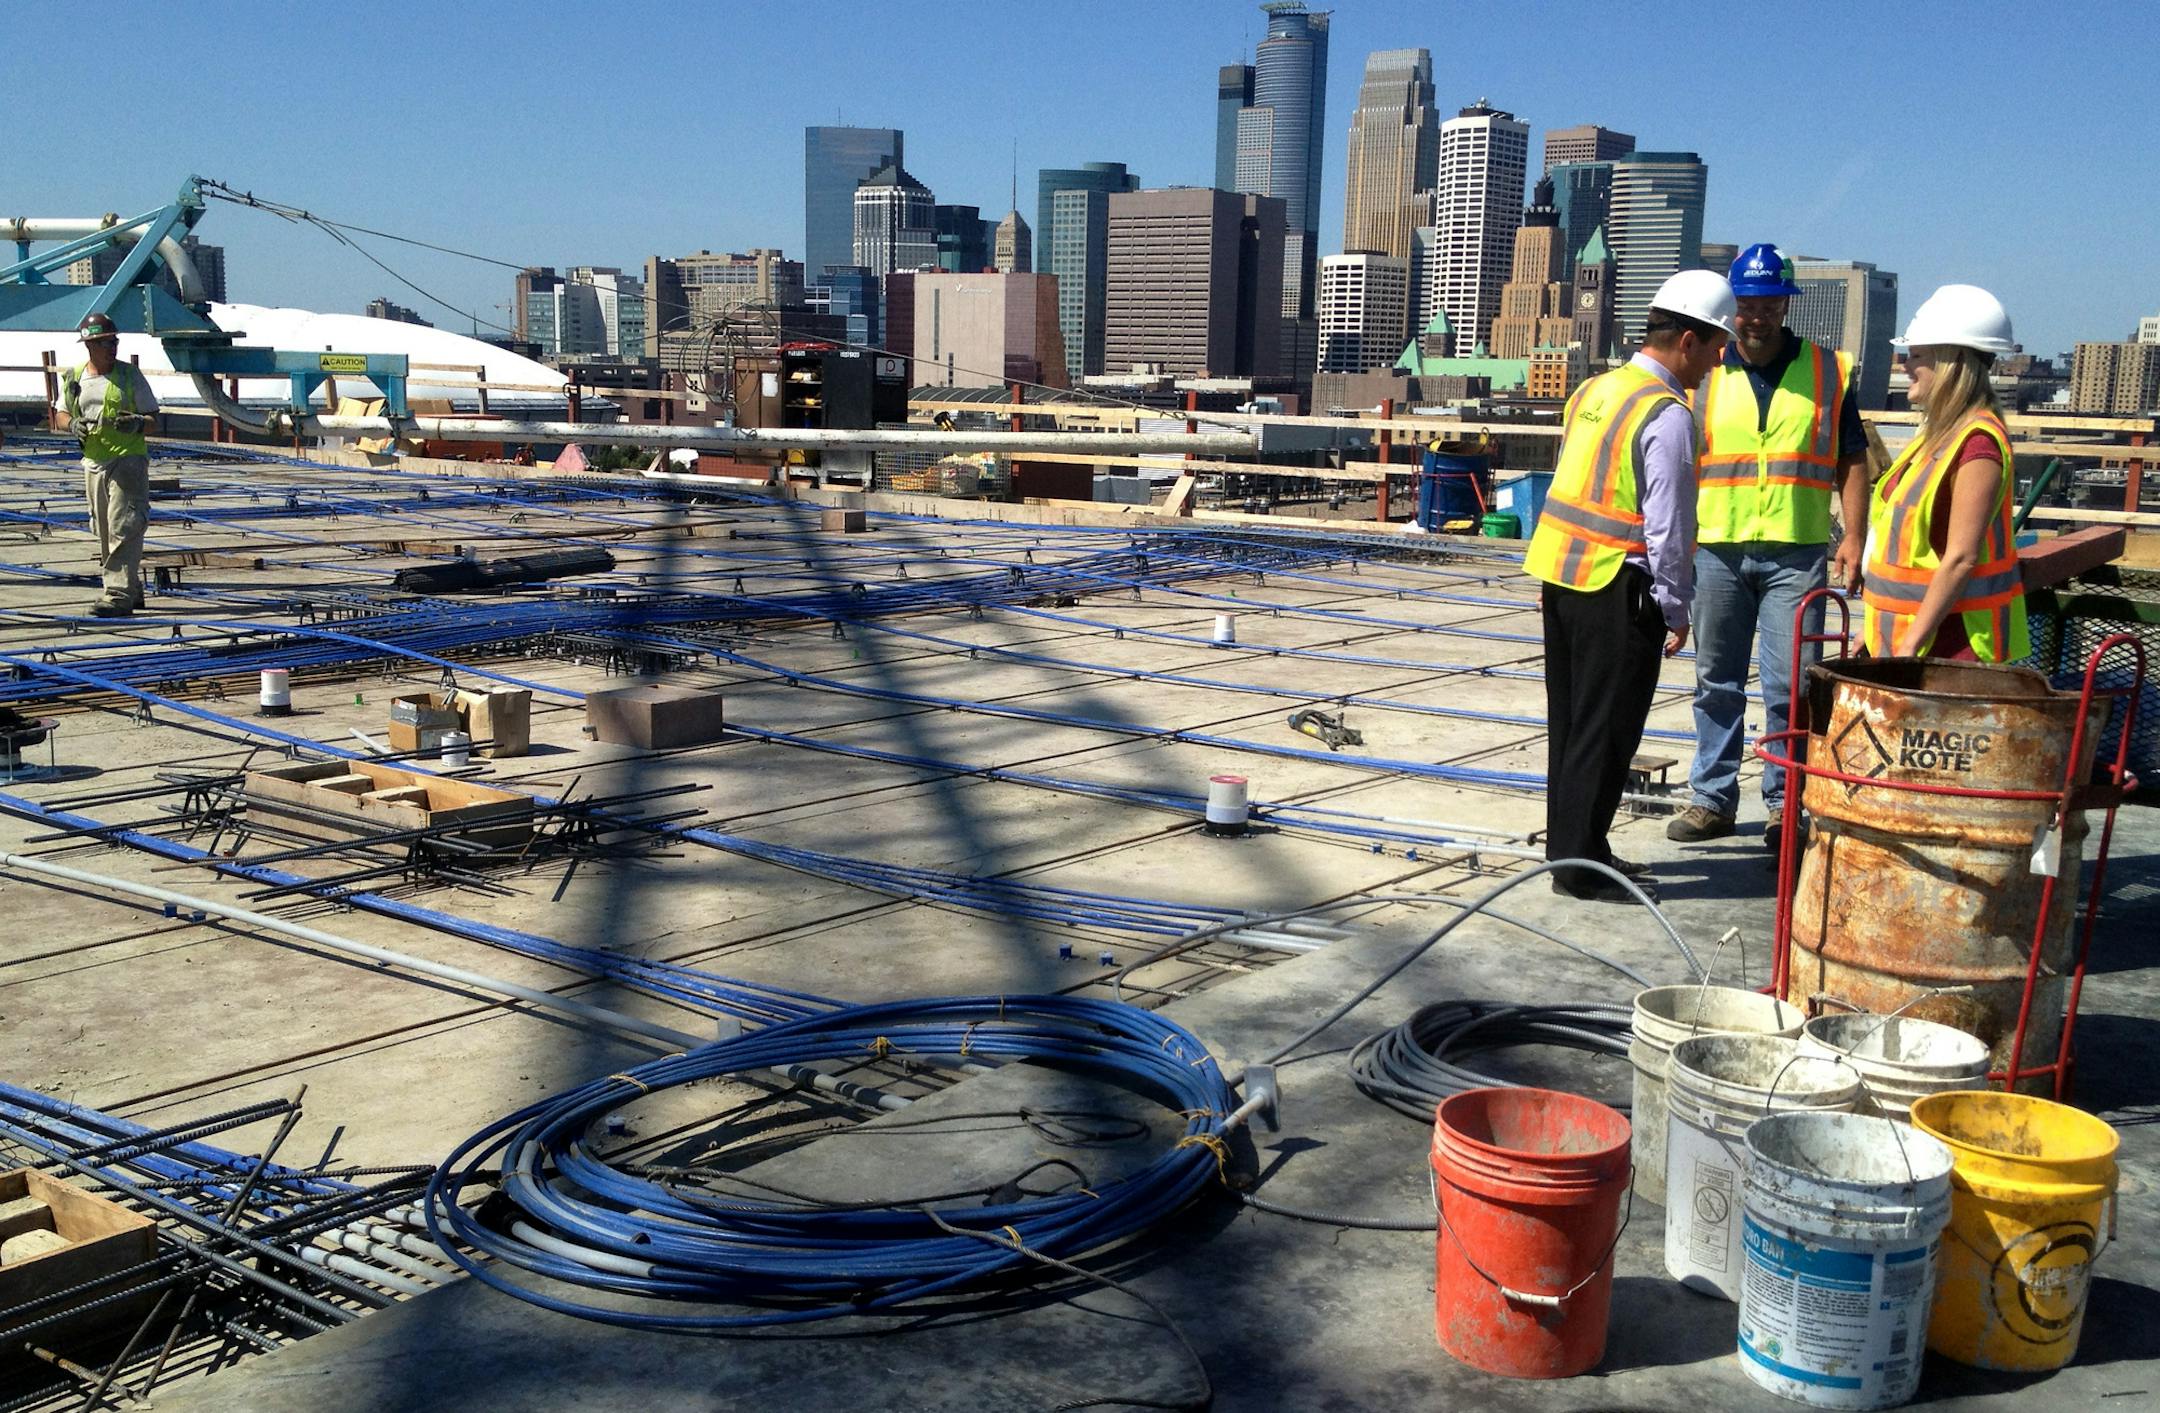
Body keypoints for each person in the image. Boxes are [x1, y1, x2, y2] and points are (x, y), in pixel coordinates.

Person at [1525, 269, 1735, 901]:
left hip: (1564, 577)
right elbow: (1668, 525)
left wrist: (1553, 578)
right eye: (1716, 344)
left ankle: (1577, 853)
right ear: (1688, 341)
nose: (1719, 359)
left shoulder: (1595, 388)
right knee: (1607, 730)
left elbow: (1568, 481)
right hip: (1619, 585)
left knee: (1572, 726)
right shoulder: (1667, 414)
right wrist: (1676, 606)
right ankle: (1581, 868)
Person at [1666, 244, 1871, 855]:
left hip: (1795, 550)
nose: (1755, 317)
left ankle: (1786, 804)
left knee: (1790, 687)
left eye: (1767, 305)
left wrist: (1854, 536)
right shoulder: (1705, 368)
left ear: (1786, 304)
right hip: (1719, 550)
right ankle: (1712, 798)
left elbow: (1852, 460)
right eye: (1745, 306)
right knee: (1716, 681)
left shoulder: (1828, 371)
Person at [1862, 285, 2027, 662]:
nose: (1904, 365)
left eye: (1915, 355)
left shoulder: (1978, 444)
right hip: (1906, 644)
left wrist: (1909, 646)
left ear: (1950, 361)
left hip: (1952, 650)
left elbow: (1960, 558)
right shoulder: (1937, 436)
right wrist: (1871, 635)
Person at [50, 314, 158, 618]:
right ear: (90, 345)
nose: (113, 347)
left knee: (124, 526)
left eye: (115, 341)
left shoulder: (129, 376)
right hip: (94, 463)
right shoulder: (74, 378)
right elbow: (59, 415)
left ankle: (118, 595)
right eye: (107, 342)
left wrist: (137, 423)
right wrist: (72, 425)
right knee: (103, 529)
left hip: (128, 461)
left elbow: (153, 419)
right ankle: (131, 587)